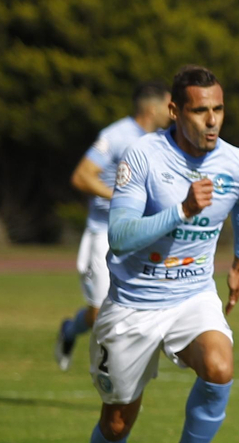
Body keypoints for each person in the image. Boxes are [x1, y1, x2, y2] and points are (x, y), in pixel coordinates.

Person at [74, 65, 239, 443]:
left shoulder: (238, 162)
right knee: (117, 422)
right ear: (176, 111)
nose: (211, 120)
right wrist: (180, 209)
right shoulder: (143, 156)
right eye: (200, 110)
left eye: (218, 109)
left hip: (191, 298)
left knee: (220, 366)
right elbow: (121, 236)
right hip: (133, 306)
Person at [55, 83, 172, 370]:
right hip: (105, 234)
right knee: (99, 313)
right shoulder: (116, 135)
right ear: (152, 108)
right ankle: (70, 330)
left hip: (142, 236)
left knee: (141, 308)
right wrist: (123, 197)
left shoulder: (163, 141)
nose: (173, 113)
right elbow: (82, 177)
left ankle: (126, 382)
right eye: (169, 106)